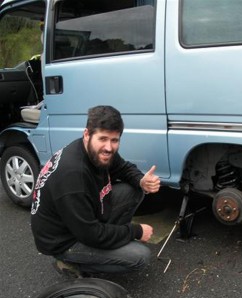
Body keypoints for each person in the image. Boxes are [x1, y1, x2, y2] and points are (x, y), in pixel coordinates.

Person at [31, 105, 161, 277]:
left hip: (81, 221)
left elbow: (123, 168)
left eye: (114, 140)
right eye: (103, 139)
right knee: (140, 257)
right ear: (87, 134)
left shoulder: (95, 151)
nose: (108, 147)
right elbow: (91, 234)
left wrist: (141, 180)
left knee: (134, 190)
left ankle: (110, 243)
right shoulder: (73, 175)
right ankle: (71, 263)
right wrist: (135, 231)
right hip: (64, 240)